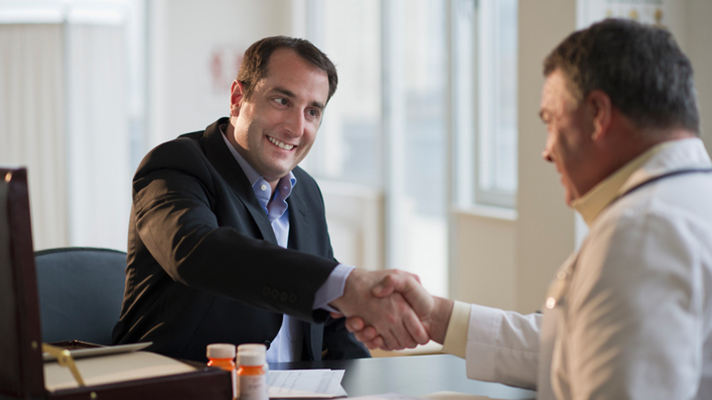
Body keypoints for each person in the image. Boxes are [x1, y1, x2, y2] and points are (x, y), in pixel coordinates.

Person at [346, 19, 712, 399]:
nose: (547, 150)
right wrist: (436, 317)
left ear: (598, 115)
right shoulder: (684, 206)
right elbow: (578, 347)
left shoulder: (642, 232)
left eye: (552, 122)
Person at [112, 36, 431, 363]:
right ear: (238, 98)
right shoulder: (177, 164)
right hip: (185, 387)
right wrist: (346, 285)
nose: (296, 127)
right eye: (282, 101)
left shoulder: (306, 191)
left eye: (312, 112)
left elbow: (333, 323)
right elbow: (197, 252)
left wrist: (369, 385)